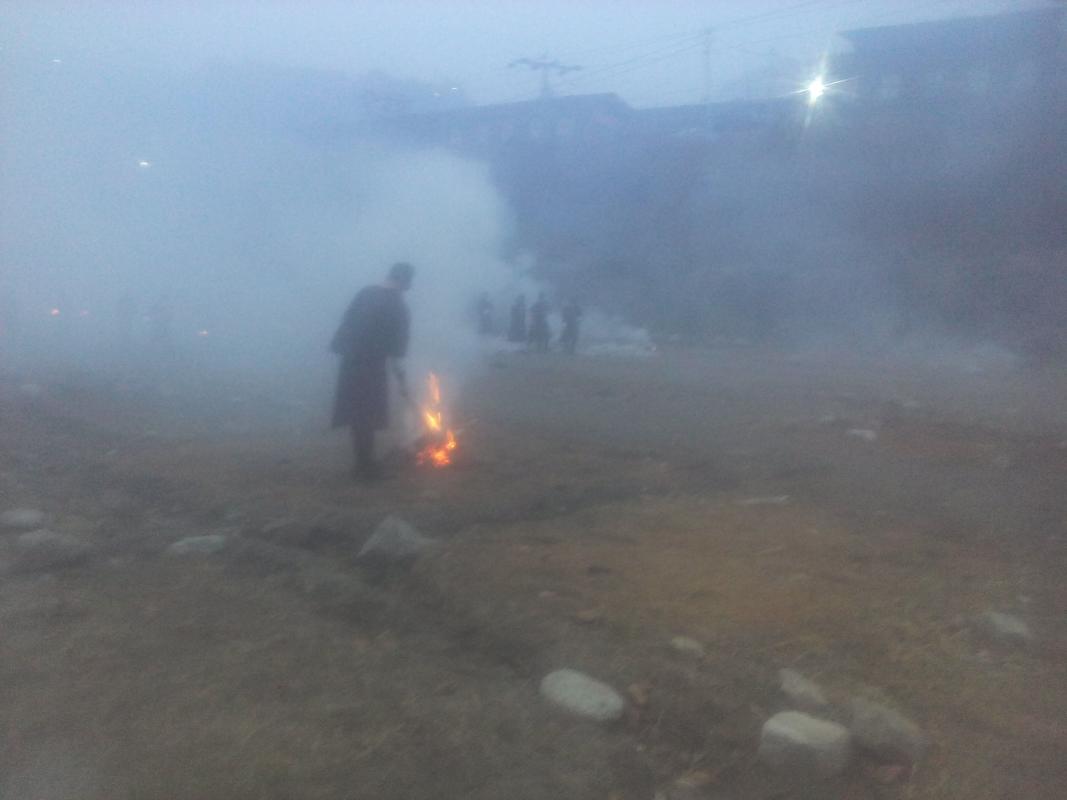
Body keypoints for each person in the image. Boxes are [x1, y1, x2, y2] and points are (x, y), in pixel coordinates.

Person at [330, 262, 414, 482]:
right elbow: (397, 351)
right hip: (371, 365)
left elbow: (346, 323)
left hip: (350, 362)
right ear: (405, 281)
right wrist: (402, 381)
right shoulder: (397, 306)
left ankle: (363, 463)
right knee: (366, 415)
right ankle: (365, 468)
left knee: (357, 414)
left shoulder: (366, 293)